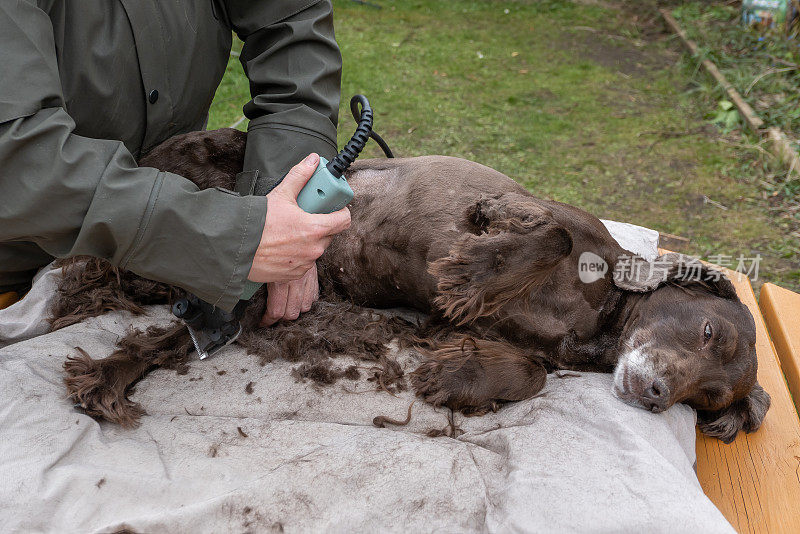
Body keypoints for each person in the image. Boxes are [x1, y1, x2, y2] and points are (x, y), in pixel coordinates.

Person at [0, 0, 350, 326]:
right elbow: (18, 159)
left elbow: (290, 24)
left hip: (182, 247)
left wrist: (285, 198)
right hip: (18, 278)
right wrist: (228, 238)